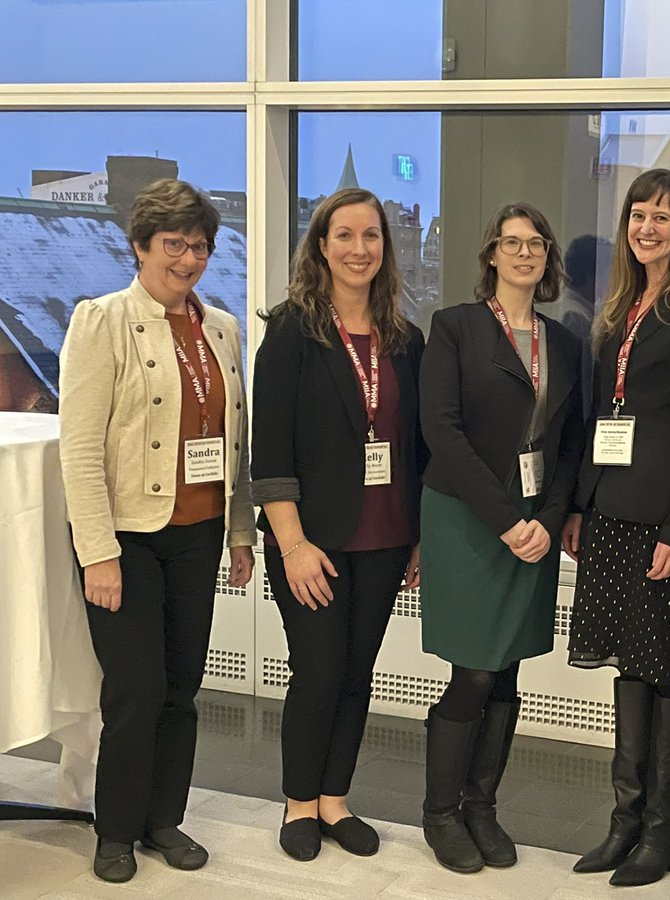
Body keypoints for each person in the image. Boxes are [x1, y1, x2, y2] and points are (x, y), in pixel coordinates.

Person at [59, 178, 255, 882]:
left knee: (182, 686)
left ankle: (163, 820)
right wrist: (98, 554)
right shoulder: (101, 321)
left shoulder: (222, 328)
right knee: (136, 692)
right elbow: (79, 448)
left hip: (198, 535)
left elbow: (235, 442)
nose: (189, 259)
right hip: (129, 539)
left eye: (200, 245)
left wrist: (240, 533)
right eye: (174, 244)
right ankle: (115, 829)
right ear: (139, 245)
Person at [563, 169, 670, 888]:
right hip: (609, 513)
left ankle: (666, 835)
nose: (648, 228)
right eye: (638, 215)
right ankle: (625, 823)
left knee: (668, 678)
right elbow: (601, 416)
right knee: (629, 671)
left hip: (662, 522)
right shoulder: (622, 308)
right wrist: (579, 503)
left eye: (663, 217)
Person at [251, 188, 425, 862]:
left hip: (384, 538)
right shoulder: (293, 332)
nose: (360, 249)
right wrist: (291, 546)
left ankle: (334, 800)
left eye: (372, 236)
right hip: (311, 543)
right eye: (345, 235)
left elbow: (415, 448)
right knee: (317, 672)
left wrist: (417, 542)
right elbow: (271, 454)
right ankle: (298, 802)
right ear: (320, 245)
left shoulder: (407, 340)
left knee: (358, 674)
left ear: (386, 247)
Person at [418, 203, 583, 874]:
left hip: (534, 519)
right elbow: (443, 432)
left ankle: (482, 808)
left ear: (547, 258)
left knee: (508, 667)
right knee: (474, 668)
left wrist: (546, 517)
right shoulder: (454, 328)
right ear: (490, 254)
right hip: (466, 516)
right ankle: (440, 813)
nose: (523, 253)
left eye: (535, 243)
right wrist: (508, 521)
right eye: (511, 243)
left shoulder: (566, 343)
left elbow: (570, 443)